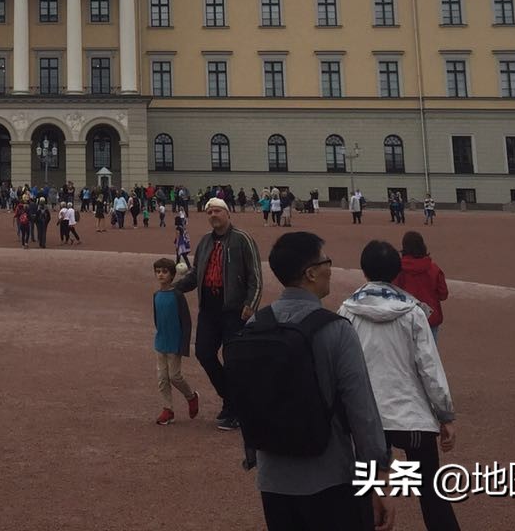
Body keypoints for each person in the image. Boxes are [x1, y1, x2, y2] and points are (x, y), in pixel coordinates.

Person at [235, 231, 393, 531]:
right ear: (310, 273)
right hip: (330, 476)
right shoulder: (337, 330)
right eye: (325, 262)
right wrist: (378, 479)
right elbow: (363, 415)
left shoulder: (256, 325)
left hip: (273, 478)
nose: (329, 268)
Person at [339, 240, 459, 531]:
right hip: (411, 414)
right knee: (431, 489)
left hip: (366, 418)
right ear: (397, 272)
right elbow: (429, 367)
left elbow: (340, 368)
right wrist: (445, 414)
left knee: (367, 490)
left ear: (364, 271)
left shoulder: (347, 310)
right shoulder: (413, 312)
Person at [173, 197, 262, 431]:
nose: (213, 215)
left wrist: (251, 303)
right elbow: (195, 274)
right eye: (209, 212)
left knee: (233, 361)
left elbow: (255, 276)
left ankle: (235, 409)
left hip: (235, 310)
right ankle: (232, 400)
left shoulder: (242, 239)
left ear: (227, 213)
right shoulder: (204, 243)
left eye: (217, 211)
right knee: (204, 353)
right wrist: (175, 289)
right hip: (210, 309)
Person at [151, 257, 200, 426]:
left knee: (175, 376)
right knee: (162, 378)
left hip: (174, 343)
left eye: (164, 272)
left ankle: (191, 396)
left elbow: (186, 322)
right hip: (160, 342)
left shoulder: (178, 296)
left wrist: (183, 345)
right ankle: (168, 409)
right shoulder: (156, 295)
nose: (160, 275)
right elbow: (157, 319)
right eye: (158, 272)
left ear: (172, 275)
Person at [393, 231, 448, 342]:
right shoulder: (433, 269)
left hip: (406, 318)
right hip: (429, 318)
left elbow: (393, 293)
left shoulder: (398, 270)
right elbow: (443, 294)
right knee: (430, 355)